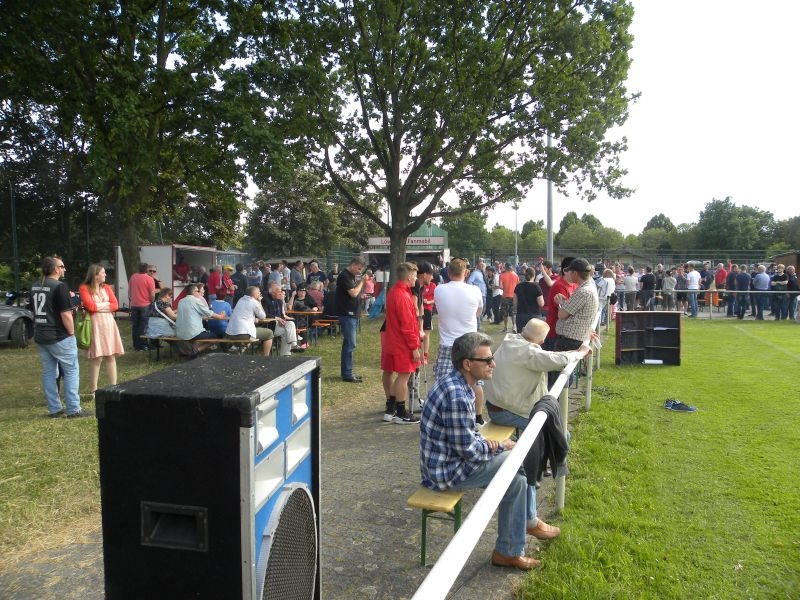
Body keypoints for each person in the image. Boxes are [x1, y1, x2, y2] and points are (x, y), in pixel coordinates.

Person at [420, 332, 539, 570]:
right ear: (467, 364)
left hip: (451, 462)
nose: (493, 364)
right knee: (517, 459)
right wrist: (498, 445)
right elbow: (469, 451)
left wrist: (489, 444)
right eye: (487, 360)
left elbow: (466, 438)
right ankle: (526, 527)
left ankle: (508, 551)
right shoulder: (457, 395)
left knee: (516, 481)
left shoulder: (460, 384)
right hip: (447, 473)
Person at [484, 318, 589, 542]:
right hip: (506, 410)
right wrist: (580, 352)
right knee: (554, 436)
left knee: (554, 433)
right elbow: (556, 360)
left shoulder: (512, 341)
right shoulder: (528, 352)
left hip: (500, 405)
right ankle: (538, 479)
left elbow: (548, 357)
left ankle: (541, 467)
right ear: (541, 340)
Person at [32, 257, 90, 418]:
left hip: (41, 335)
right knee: (71, 371)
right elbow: (65, 314)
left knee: (49, 372)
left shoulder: (35, 285)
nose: (65, 269)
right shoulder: (59, 286)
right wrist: (71, 333)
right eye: (62, 266)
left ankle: (54, 409)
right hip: (59, 335)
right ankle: (74, 409)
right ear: (55, 269)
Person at [433, 258, 486, 425]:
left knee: (443, 381)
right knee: (474, 381)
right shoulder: (475, 290)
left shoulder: (439, 289)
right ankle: (478, 417)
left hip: (447, 343)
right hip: (470, 342)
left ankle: (442, 415)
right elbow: (478, 312)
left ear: (449, 273)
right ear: (466, 273)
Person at [381, 262, 422, 424]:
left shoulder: (394, 291)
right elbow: (407, 325)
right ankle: (400, 413)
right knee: (404, 376)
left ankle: (390, 410)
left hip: (393, 340)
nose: (416, 279)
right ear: (409, 276)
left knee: (398, 375)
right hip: (402, 343)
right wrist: (414, 347)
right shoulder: (403, 296)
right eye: (415, 275)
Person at [79, 264, 125, 395]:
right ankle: (94, 389)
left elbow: (115, 305)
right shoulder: (84, 288)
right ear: (95, 275)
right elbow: (90, 307)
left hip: (108, 323)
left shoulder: (107, 288)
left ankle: (114, 386)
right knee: (97, 357)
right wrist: (106, 305)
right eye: (103, 273)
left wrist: (98, 306)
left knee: (111, 355)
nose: (105, 275)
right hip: (95, 324)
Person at [553, 258, 599, 352]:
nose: (568, 274)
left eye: (570, 271)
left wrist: (560, 303)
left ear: (575, 273)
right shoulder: (589, 287)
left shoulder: (583, 292)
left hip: (569, 341)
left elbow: (562, 314)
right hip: (574, 340)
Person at [335, 256, 366, 382]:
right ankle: (347, 374)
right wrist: (362, 282)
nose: (360, 271)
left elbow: (354, 294)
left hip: (352, 313)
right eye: (358, 269)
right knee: (350, 344)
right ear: (353, 265)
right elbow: (353, 293)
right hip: (347, 314)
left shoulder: (351, 276)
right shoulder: (344, 276)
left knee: (349, 343)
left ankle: (347, 371)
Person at [175, 283, 227, 356]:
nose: (199, 293)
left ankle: (191, 349)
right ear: (193, 292)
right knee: (215, 337)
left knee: (202, 335)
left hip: (180, 332)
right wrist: (220, 316)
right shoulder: (196, 300)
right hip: (192, 333)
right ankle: (196, 351)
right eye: (197, 291)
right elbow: (208, 313)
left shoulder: (181, 301)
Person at [225, 286, 274, 356]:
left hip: (230, 334)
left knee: (253, 332)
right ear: (254, 294)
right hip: (243, 334)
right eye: (259, 292)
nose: (260, 293)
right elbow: (263, 316)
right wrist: (259, 302)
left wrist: (253, 319)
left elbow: (243, 315)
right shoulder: (254, 302)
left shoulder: (240, 300)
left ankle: (240, 351)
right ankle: (265, 358)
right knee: (269, 333)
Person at [543, 257, 576, 351]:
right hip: (555, 333)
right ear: (565, 271)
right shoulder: (559, 286)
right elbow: (564, 312)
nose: (577, 274)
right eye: (574, 271)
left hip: (564, 333)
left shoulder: (574, 285)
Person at [265, 282, 301, 356]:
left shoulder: (279, 301)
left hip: (278, 325)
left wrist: (282, 320)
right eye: (279, 291)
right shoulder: (265, 300)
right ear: (272, 292)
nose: (281, 293)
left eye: (281, 291)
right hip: (269, 326)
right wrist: (277, 319)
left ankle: (290, 350)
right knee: (287, 332)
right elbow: (264, 314)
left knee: (290, 324)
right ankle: (289, 350)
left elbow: (282, 315)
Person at [128, 262, 155, 351]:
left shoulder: (133, 277)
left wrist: (131, 299)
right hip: (145, 305)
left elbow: (129, 291)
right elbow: (152, 294)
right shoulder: (150, 279)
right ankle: (143, 345)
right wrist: (152, 301)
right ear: (147, 269)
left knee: (135, 325)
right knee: (143, 325)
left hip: (134, 304)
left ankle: (136, 345)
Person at [513, 267, 544, 335]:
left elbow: (515, 302)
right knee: (533, 336)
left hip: (521, 314)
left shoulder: (518, 286)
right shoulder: (536, 286)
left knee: (521, 336)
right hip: (534, 316)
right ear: (534, 275)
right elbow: (541, 303)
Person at [419, 262, 436, 364]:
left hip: (427, 310)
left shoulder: (432, 285)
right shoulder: (418, 286)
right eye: (431, 274)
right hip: (419, 312)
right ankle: (418, 354)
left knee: (426, 334)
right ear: (425, 274)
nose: (432, 277)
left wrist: (428, 302)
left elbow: (435, 299)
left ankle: (425, 355)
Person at [498, 263, 519, 332]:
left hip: (505, 296)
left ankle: (506, 327)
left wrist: (505, 287)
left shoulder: (502, 275)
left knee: (505, 313)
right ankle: (514, 326)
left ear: (505, 267)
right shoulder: (516, 275)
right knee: (513, 313)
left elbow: (500, 286)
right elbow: (518, 285)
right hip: (513, 297)